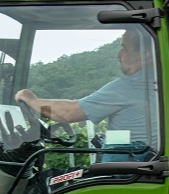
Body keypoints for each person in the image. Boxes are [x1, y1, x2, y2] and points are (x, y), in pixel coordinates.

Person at [13, 29, 152, 145]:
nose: (119, 54)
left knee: (49, 178)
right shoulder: (154, 85)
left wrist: (31, 100)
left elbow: (67, 113)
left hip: (125, 172)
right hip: (141, 164)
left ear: (144, 54)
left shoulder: (128, 87)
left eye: (125, 49)